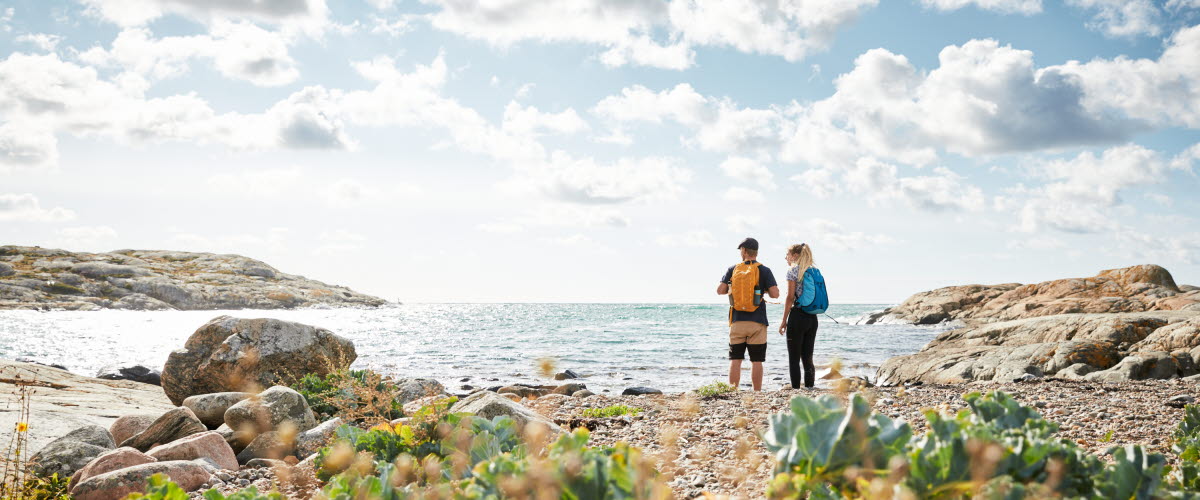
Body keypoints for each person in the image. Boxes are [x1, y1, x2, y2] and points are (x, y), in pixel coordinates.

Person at [716, 237, 779, 391]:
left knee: (735, 359)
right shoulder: (764, 270)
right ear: (756, 252)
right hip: (757, 322)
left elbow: (720, 291)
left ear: (744, 251)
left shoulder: (733, 269)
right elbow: (775, 294)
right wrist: (762, 290)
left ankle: (733, 391)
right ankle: (756, 393)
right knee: (756, 361)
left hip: (737, 321)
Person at [779, 243, 818, 389]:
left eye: (787, 254)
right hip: (812, 317)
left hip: (797, 317)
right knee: (808, 357)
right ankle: (810, 388)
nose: (786, 258)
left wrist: (784, 320)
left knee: (794, 358)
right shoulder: (814, 271)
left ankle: (795, 389)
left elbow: (790, 297)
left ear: (795, 256)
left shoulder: (793, 271)